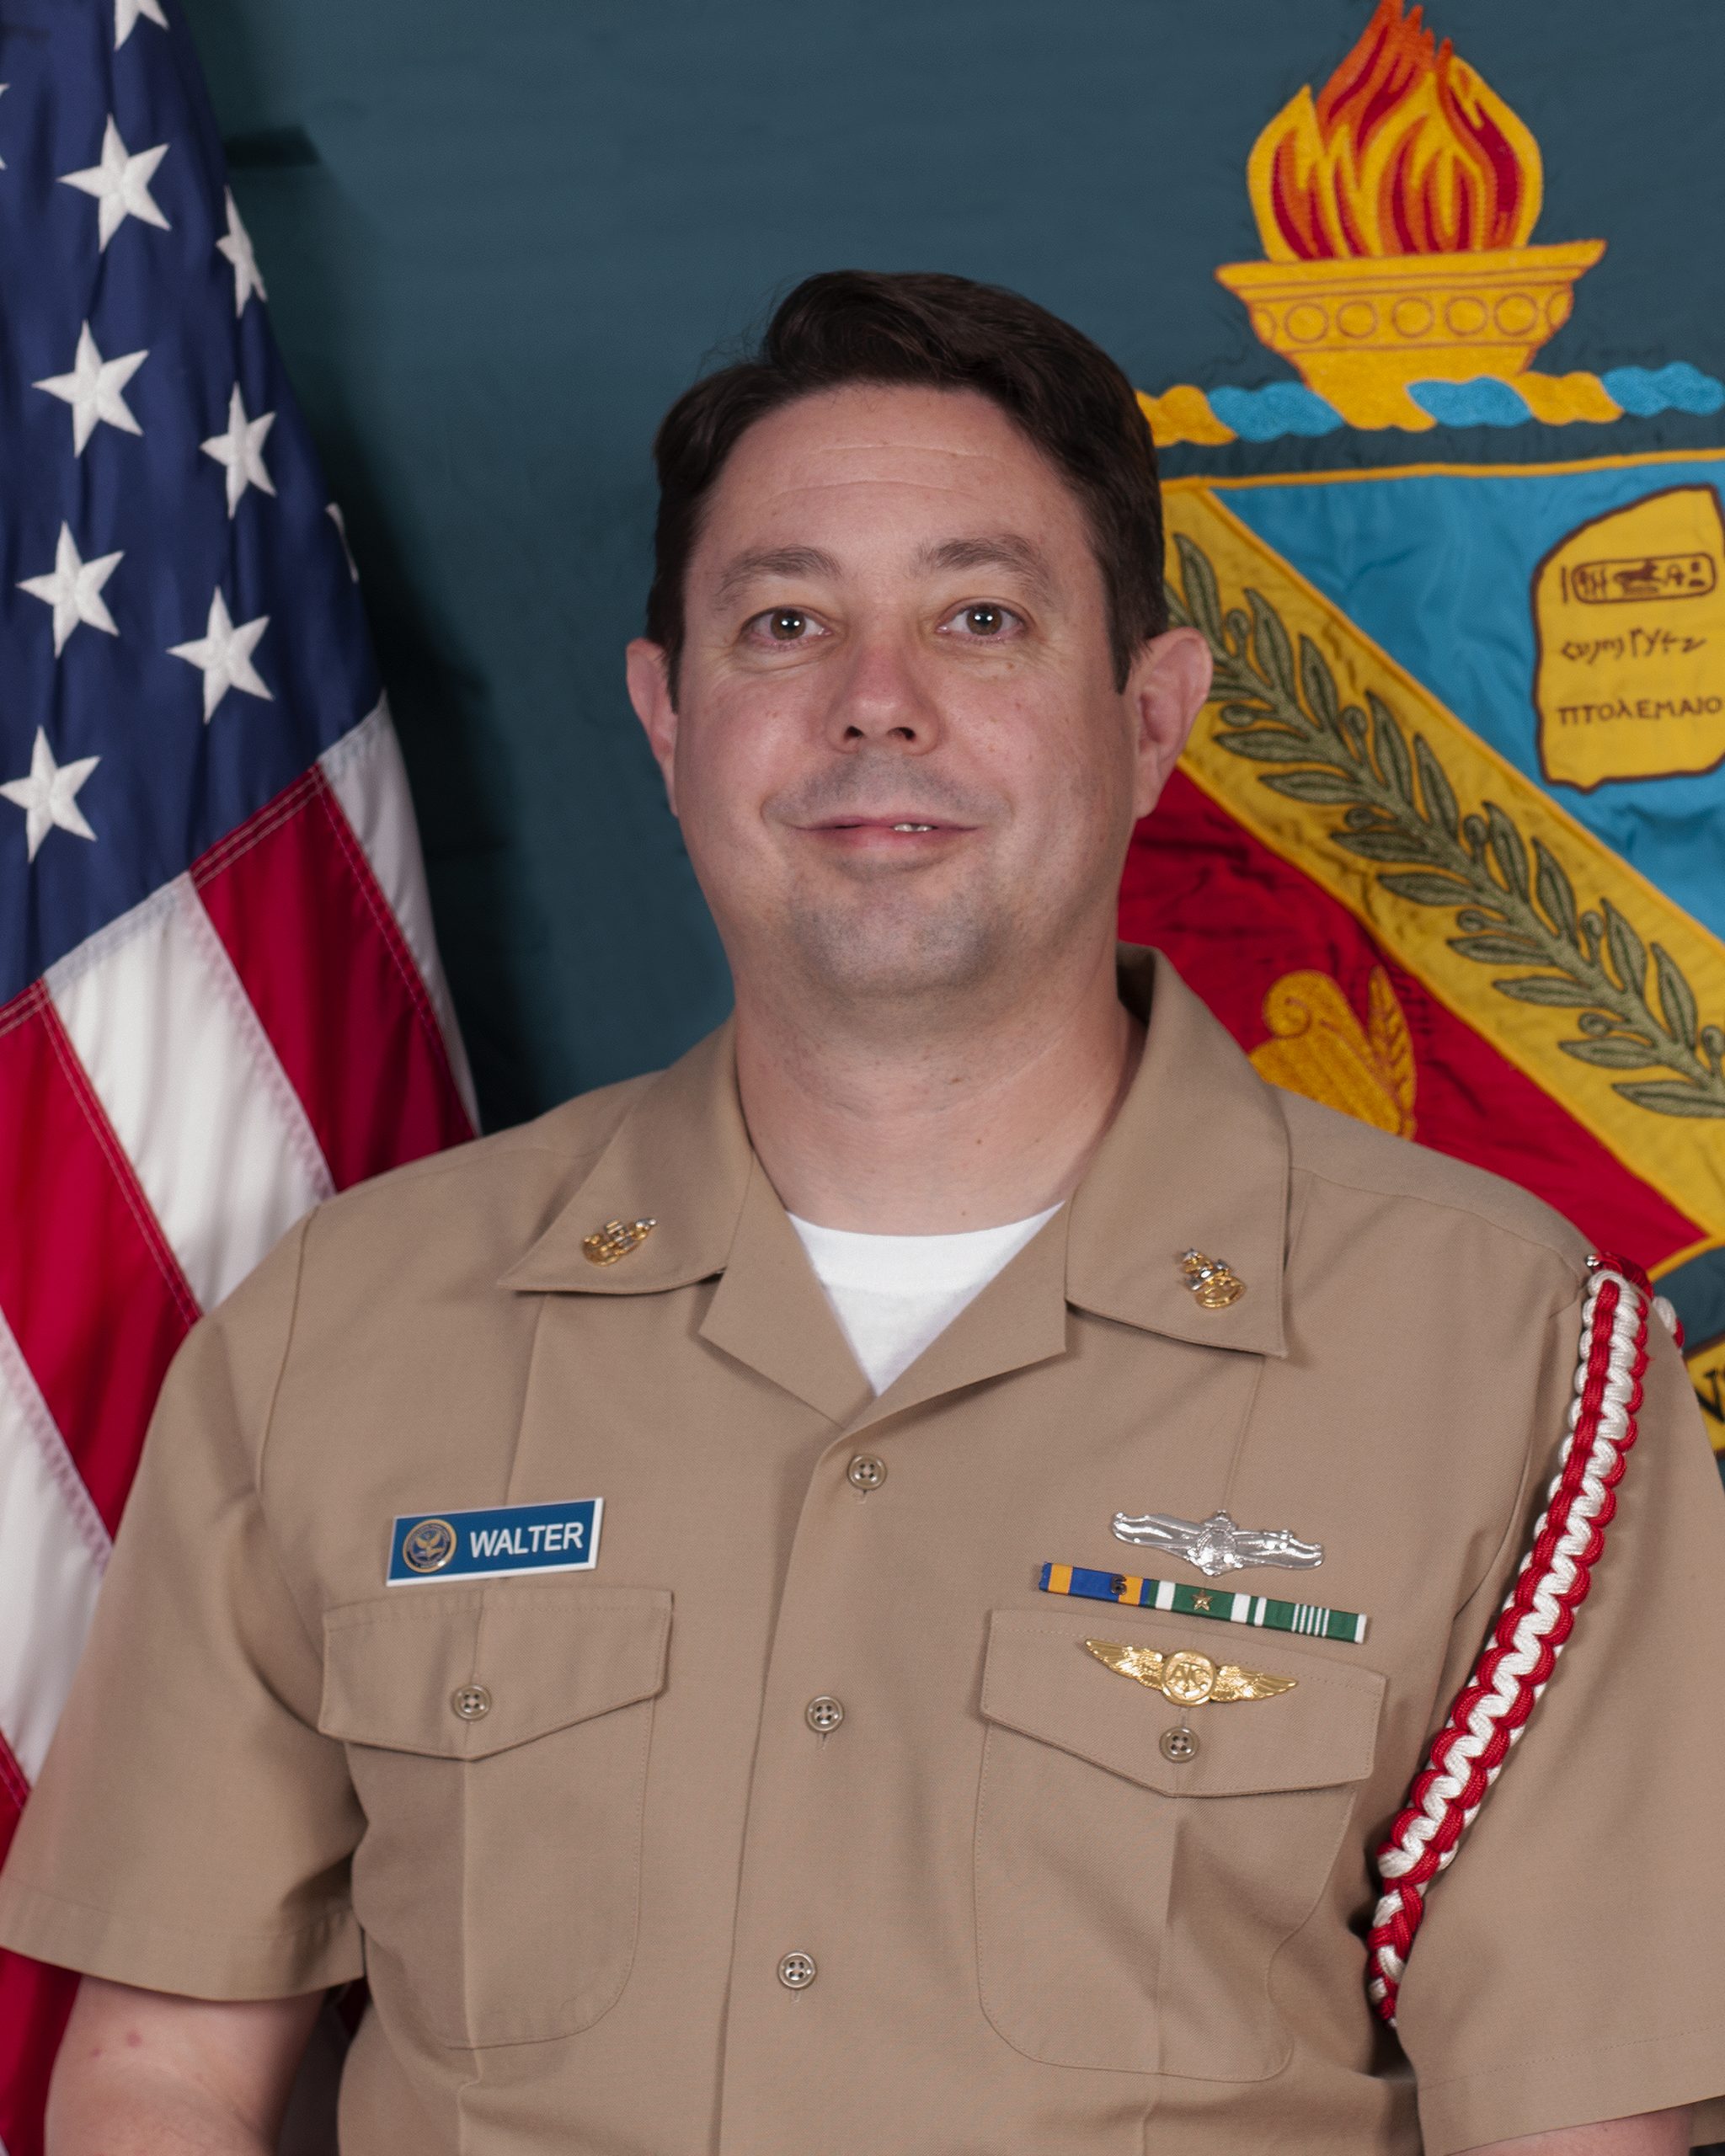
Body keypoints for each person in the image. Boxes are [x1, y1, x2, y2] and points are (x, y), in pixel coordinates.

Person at [4, 270, 1723, 2156]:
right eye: (784, 621)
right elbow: (162, 2070)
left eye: (981, 618)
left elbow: (1579, 2126)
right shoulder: (342, 1327)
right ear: (668, 716)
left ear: (1151, 715)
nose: (875, 702)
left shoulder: (1505, 1361)